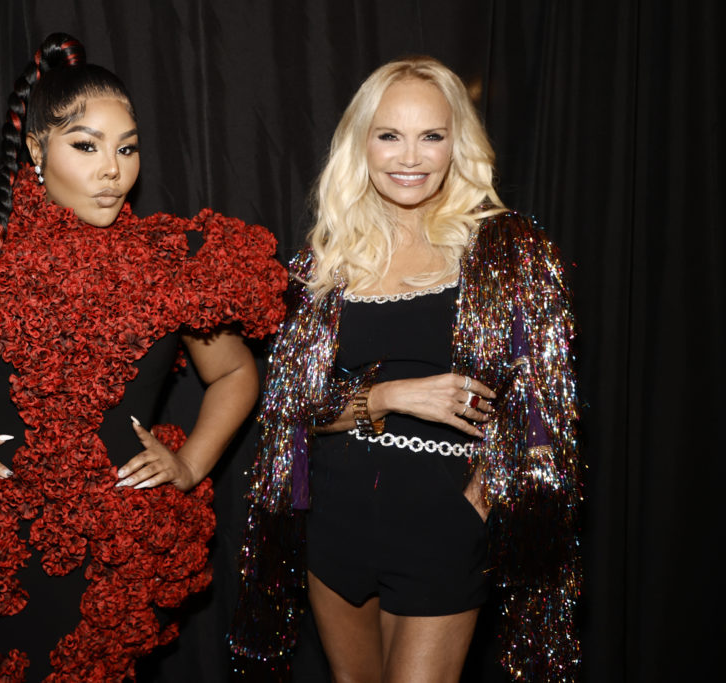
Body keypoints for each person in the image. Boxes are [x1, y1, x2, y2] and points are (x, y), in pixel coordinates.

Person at [0, 33, 286, 683]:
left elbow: (237, 371)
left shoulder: (172, 265)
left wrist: (189, 462)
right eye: (86, 145)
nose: (112, 169)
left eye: (127, 147)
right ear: (36, 152)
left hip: (117, 548)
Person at [229, 56, 581, 682]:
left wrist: (482, 501)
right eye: (389, 135)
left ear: (457, 145)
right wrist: (389, 394)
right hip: (334, 515)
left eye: (432, 136)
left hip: (441, 518)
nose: (409, 157)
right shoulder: (327, 260)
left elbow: (544, 414)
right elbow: (294, 410)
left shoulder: (507, 250)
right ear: (360, 143)